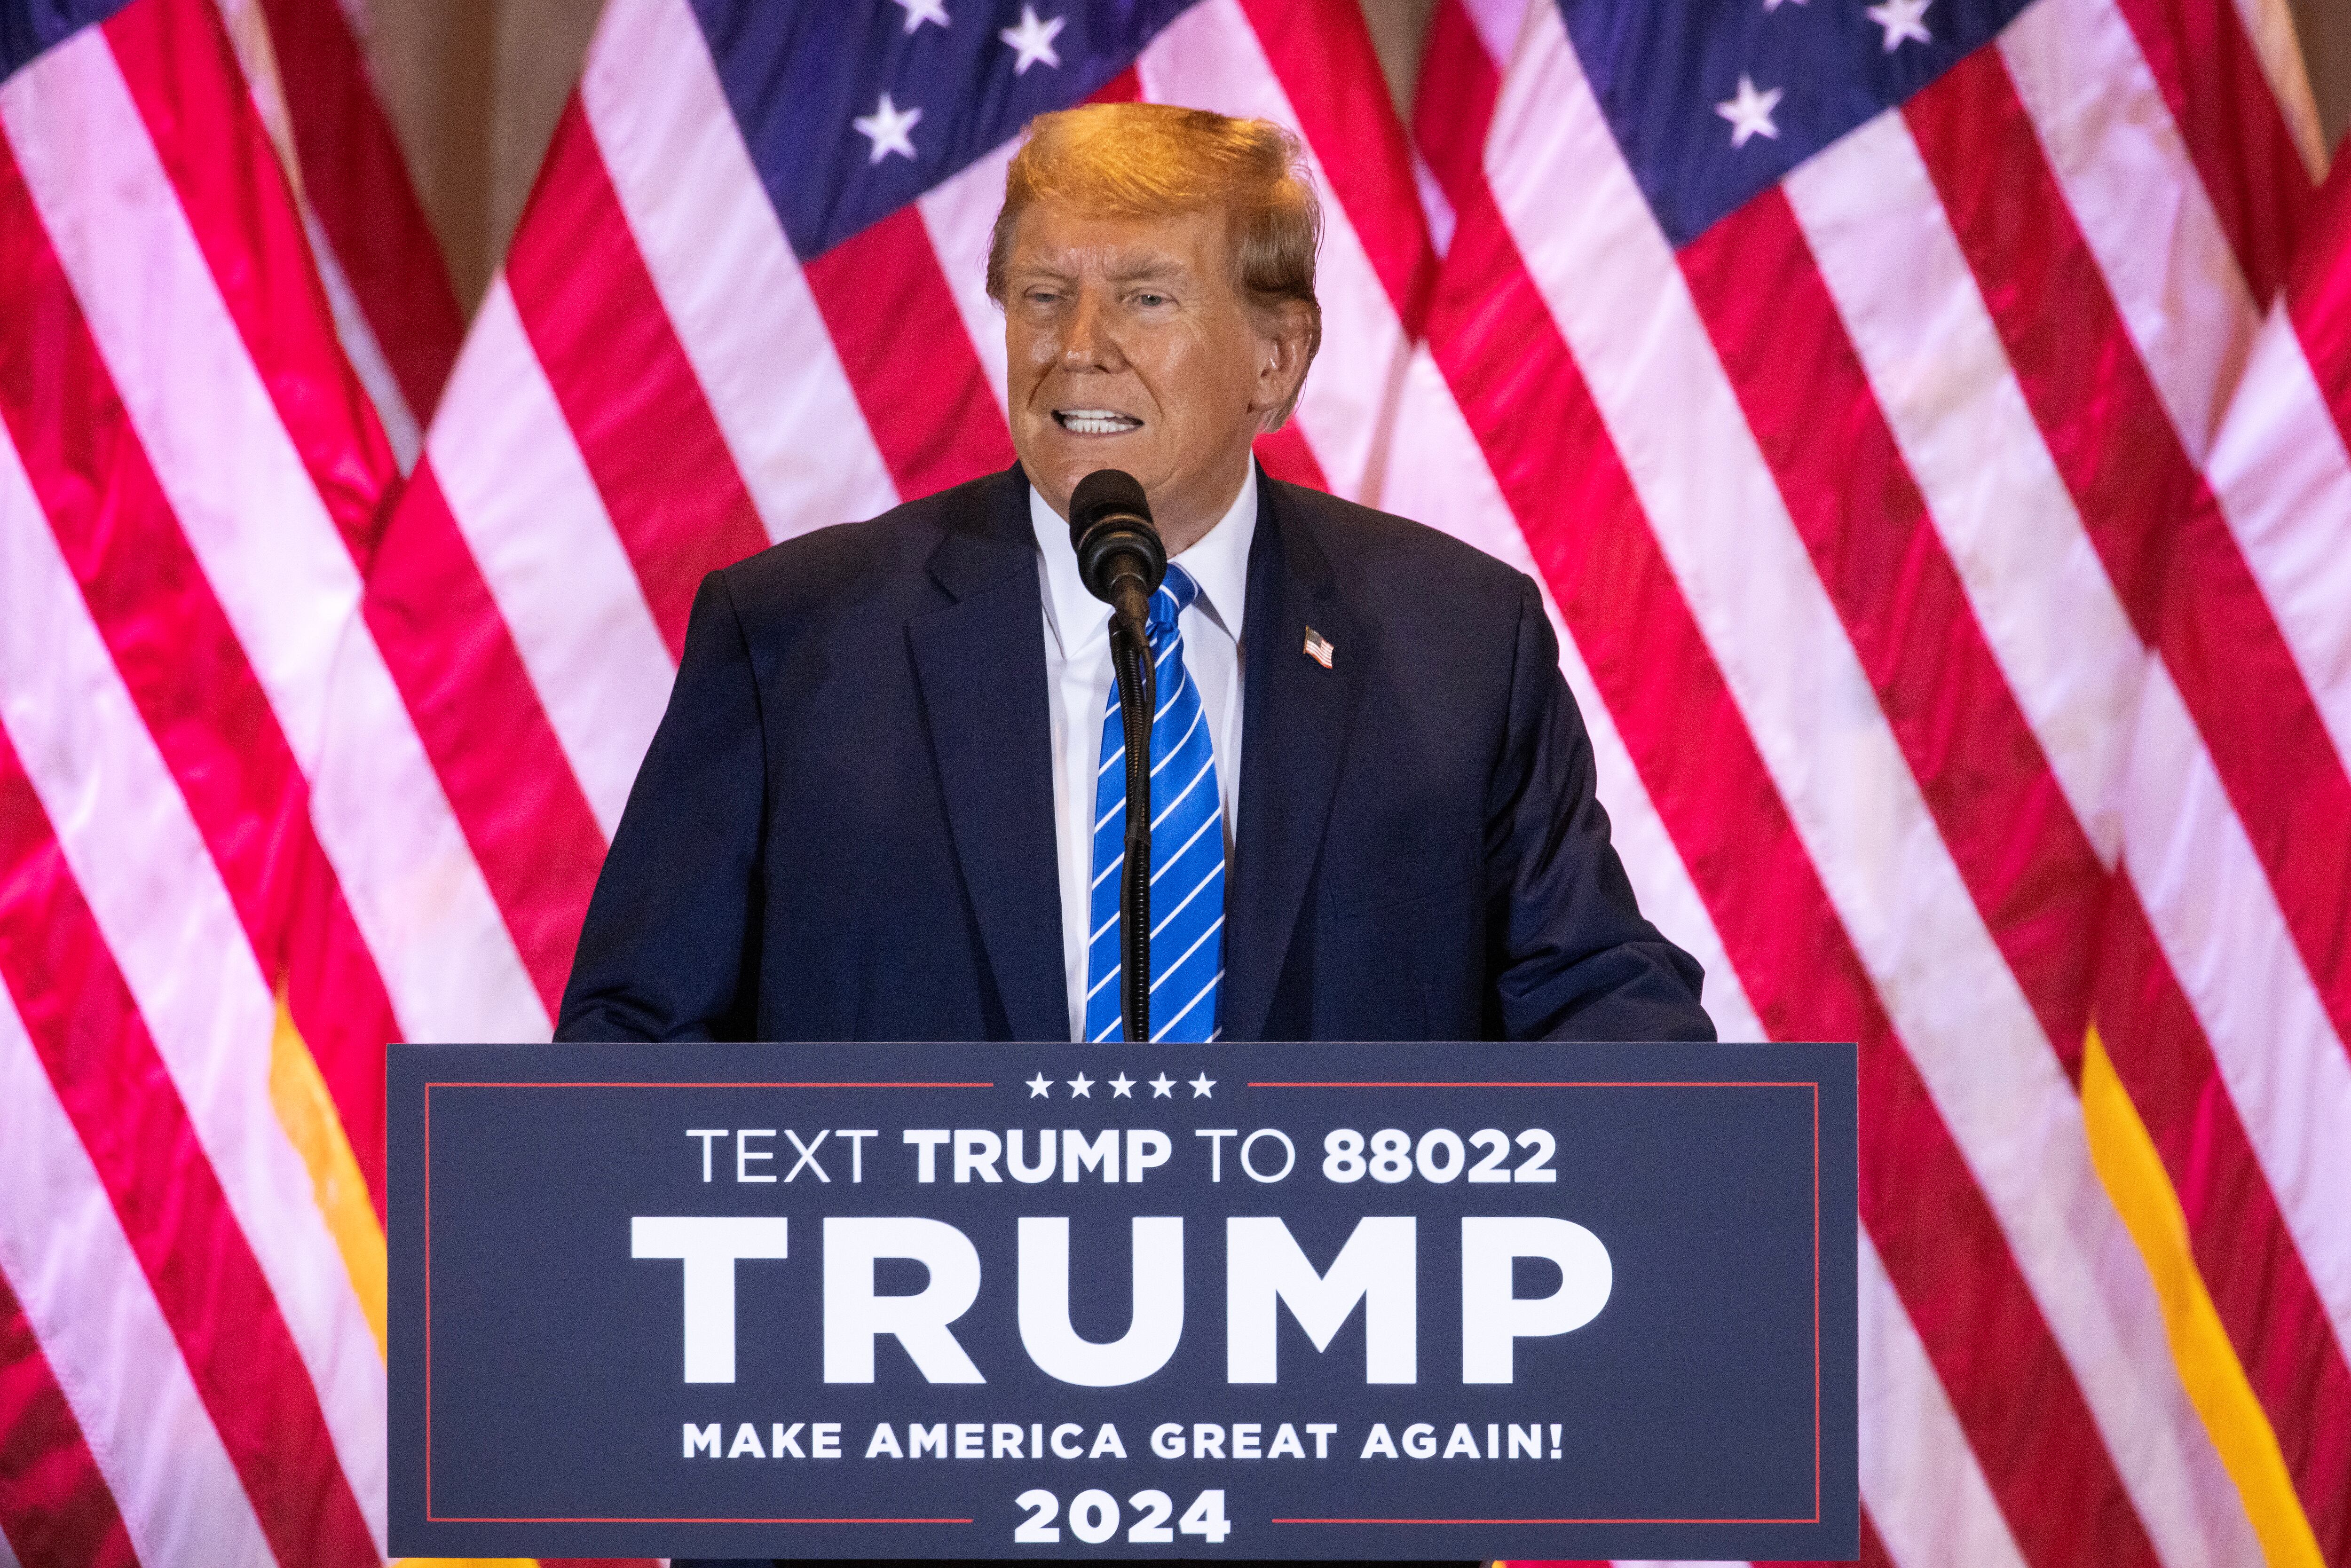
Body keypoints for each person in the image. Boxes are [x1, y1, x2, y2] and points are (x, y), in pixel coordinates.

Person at [557, 102, 1713, 1051]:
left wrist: (1688, 1159)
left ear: (1276, 359)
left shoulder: (1456, 642)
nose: (1077, 345)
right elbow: (635, 1036)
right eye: (1044, 295)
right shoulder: (796, 640)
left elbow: (1591, 999)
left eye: (1146, 298)